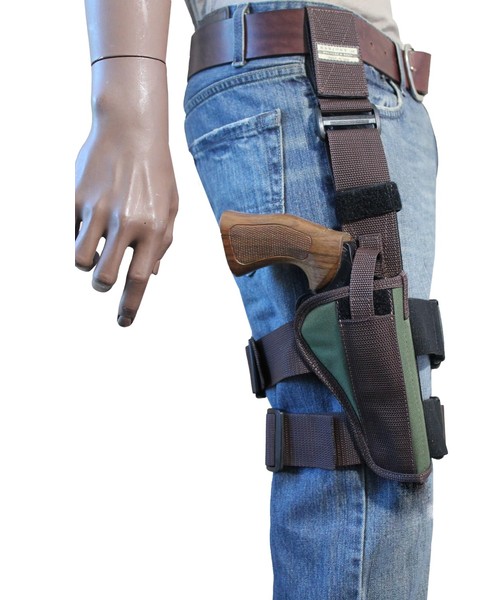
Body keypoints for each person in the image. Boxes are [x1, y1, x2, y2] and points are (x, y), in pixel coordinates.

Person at [75, 1, 440, 598]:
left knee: (390, 466)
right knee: (355, 460)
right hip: (314, 79)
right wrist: (125, 100)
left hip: (358, 87)